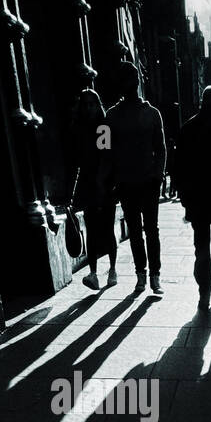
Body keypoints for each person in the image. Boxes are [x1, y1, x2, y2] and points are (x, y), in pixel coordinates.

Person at [105, 61, 167, 297]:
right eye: (124, 80)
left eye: (131, 79)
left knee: (152, 230)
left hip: (148, 182)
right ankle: (141, 274)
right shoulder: (111, 116)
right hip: (125, 182)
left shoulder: (152, 114)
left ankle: (155, 277)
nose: (128, 85)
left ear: (137, 82)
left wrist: (158, 176)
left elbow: (161, 148)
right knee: (135, 231)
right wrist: (108, 179)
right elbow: (105, 149)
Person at [173, 85, 211, 311]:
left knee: (201, 245)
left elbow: (178, 166)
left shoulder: (188, 128)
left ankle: (204, 291)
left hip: (197, 199)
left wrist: (183, 196)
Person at [70, 88, 117, 291]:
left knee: (107, 228)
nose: (89, 108)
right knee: (91, 229)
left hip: (105, 183)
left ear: (98, 106)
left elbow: (105, 157)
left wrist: (101, 183)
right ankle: (93, 273)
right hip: (88, 184)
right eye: (85, 104)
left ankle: (113, 269)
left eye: (92, 104)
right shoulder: (79, 129)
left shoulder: (102, 128)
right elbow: (76, 162)